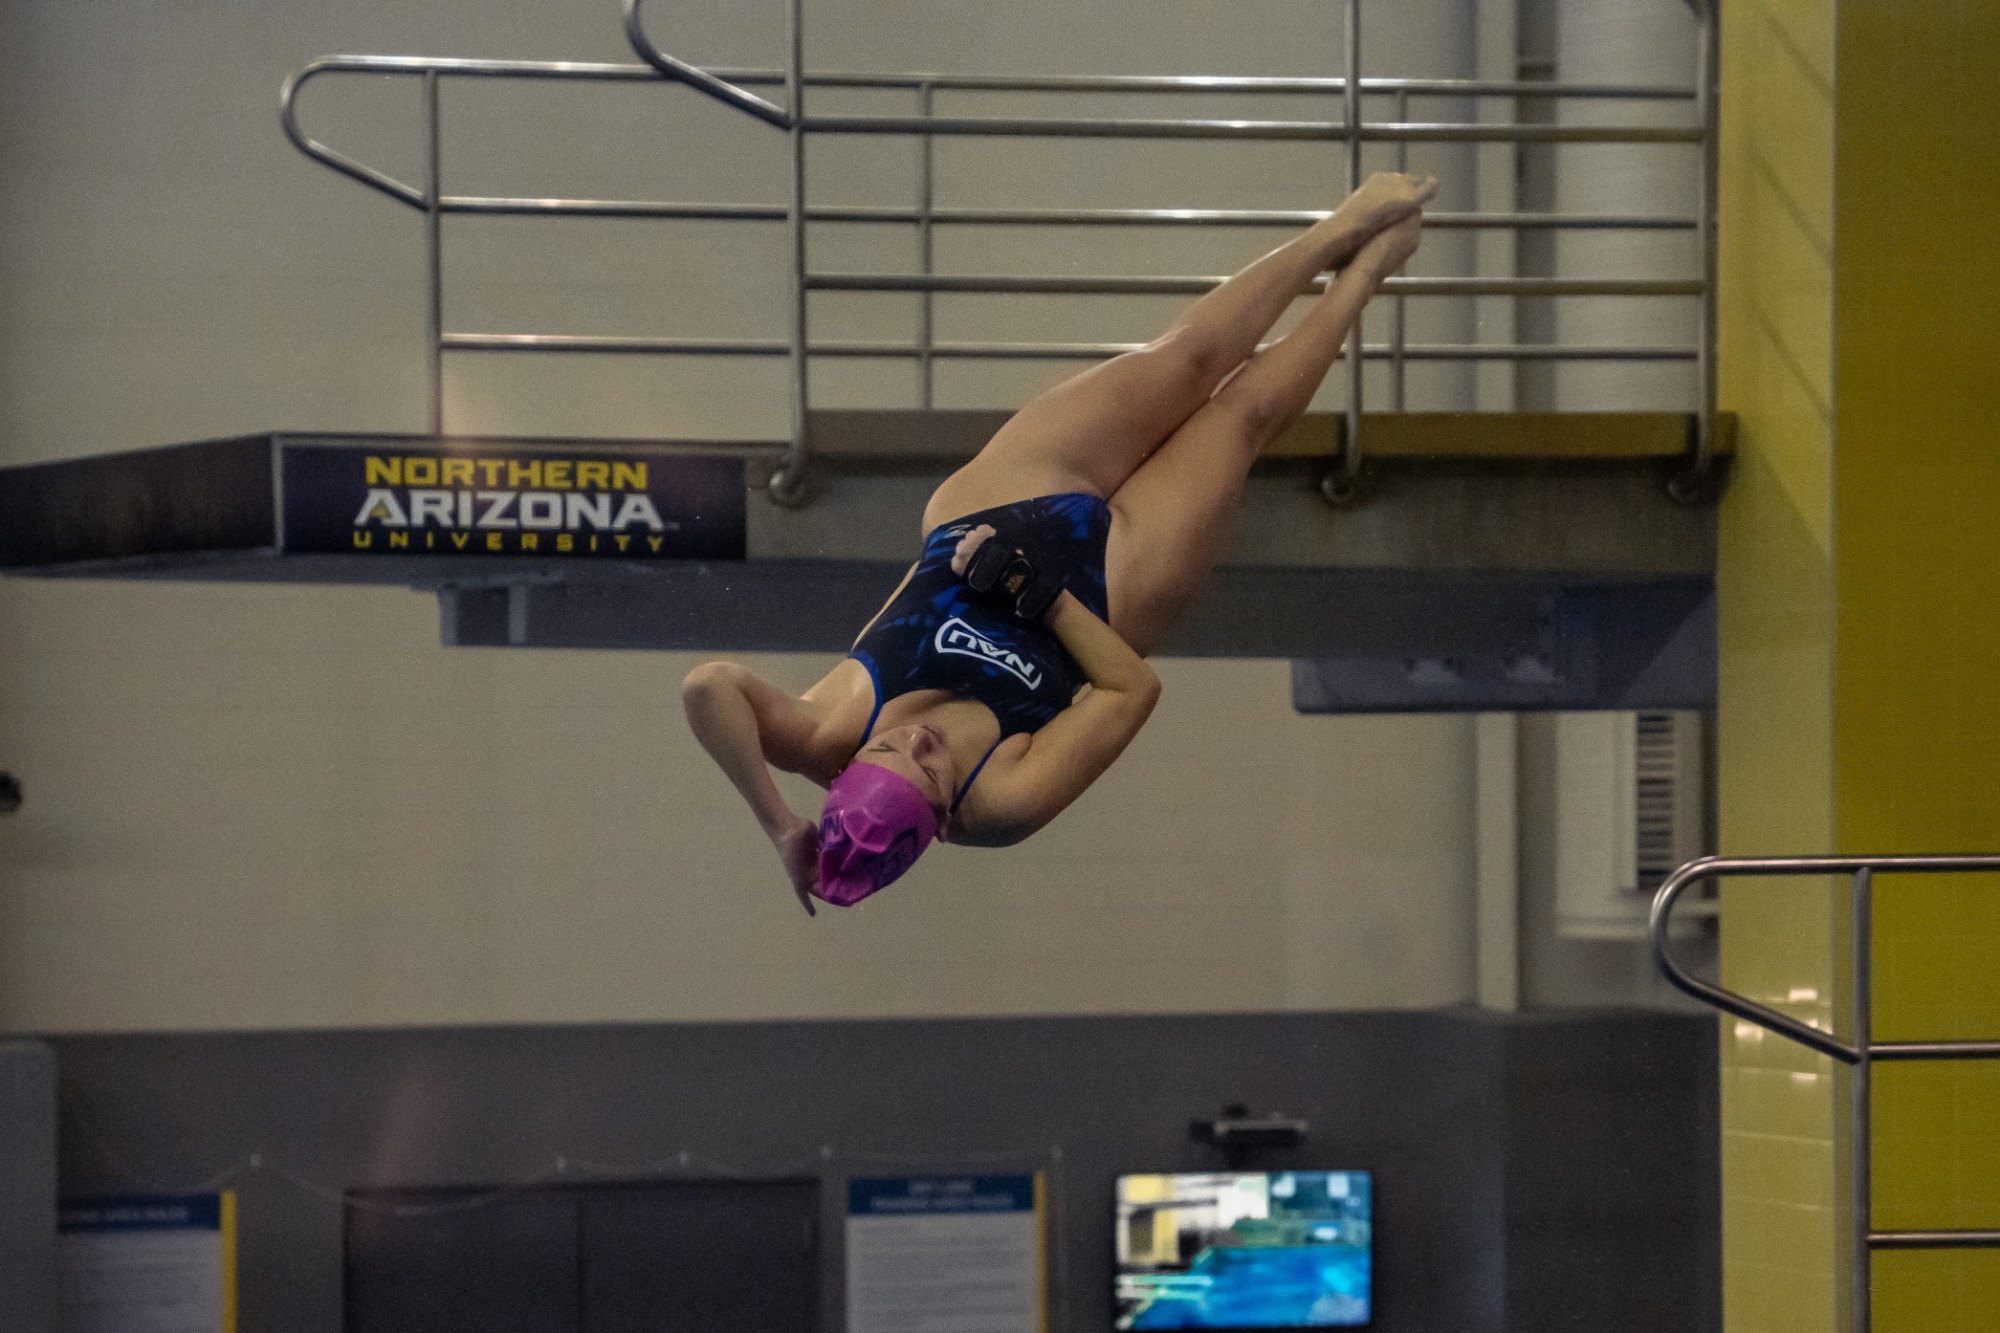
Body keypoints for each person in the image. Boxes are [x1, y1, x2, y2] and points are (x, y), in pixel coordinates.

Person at [683, 172, 1435, 914]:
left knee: (1187, 358)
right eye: (932, 768)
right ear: (944, 820)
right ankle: (1364, 275)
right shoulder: (1000, 802)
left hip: (1001, 500)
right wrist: (1041, 599)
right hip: (1106, 593)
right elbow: (1130, 691)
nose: (918, 741)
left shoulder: (828, 732)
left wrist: (780, 823)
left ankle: (1339, 229)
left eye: (894, 749)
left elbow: (707, 685)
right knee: (1243, 415)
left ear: (849, 767)